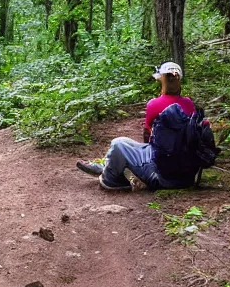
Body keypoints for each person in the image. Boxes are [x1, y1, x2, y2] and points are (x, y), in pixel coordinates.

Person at [76, 61, 200, 191]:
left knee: (119, 144)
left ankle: (110, 177)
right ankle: (107, 165)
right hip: (187, 176)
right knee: (135, 147)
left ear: (161, 79)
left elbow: (148, 136)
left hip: (161, 175)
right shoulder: (189, 104)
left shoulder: (154, 104)